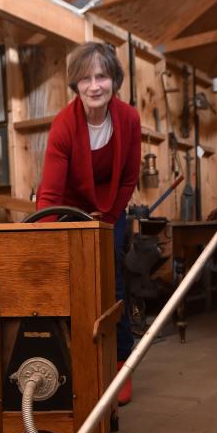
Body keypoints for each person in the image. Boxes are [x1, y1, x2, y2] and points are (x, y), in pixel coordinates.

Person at [37, 42, 141, 406]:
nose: (94, 86)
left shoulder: (128, 119)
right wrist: (44, 242)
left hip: (110, 208)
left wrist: (108, 221)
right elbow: (49, 192)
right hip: (69, 207)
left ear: (114, 80)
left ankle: (120, 363)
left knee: (111, 280)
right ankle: (71, 359)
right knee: (67, 282)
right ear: (75, 86)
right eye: (85, 79)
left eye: (101, 76)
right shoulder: (65, 124)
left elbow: (129, 177)